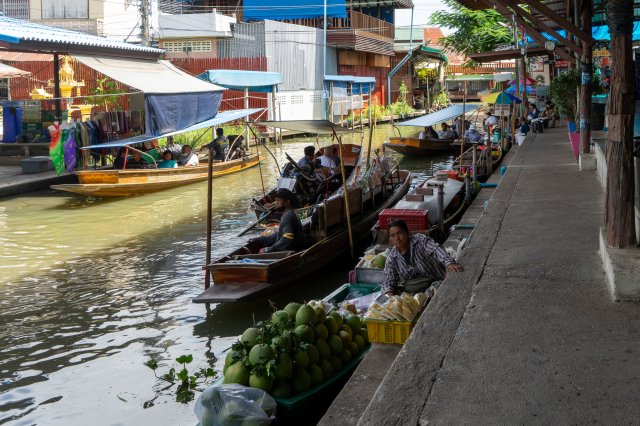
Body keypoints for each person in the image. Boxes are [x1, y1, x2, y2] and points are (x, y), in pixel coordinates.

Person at [382, 220, 463, 296]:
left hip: (440, 280)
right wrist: (389, 294)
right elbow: (389, 279)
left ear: (407, 232)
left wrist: (449, 263)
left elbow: (436, 249)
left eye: (399, 233)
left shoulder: (420, 240)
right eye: (392, 236)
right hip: (419, 293)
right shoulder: (392, 258)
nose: (397, 238)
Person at [249, 188, 305, 253]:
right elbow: (279, 235)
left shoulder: (287, 216)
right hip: (294, 248)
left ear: (287, 202)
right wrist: (261, 239)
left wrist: (269, 249)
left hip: (292, 251)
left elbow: (287, 238)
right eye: (275, 201)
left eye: (278, 201)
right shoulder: (290, 213)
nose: (276, 203)